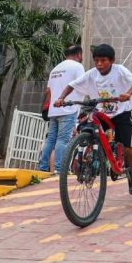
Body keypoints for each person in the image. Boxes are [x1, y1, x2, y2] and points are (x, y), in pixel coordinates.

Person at [54, 44, 132, 194]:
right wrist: (61, 98)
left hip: (123, 111)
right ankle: (92, 161)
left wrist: (128, 94)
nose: (99, 64)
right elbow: (72, 85)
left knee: (128, 148)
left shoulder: (119, 70)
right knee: (87, 128)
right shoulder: (92, 74)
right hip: (103, 112)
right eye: (96, 60)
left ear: (112, 60)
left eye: (103, 60)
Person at [38, 45, 83, 174]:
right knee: (63, 139)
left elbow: (48, 91)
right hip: (68, 108)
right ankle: (59, 168)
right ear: (79, 54)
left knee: (51, 139)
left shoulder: (55, 69)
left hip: (54, 109)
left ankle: (42, 168)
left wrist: (52, 104)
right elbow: (81, 84)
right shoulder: (77, 66)